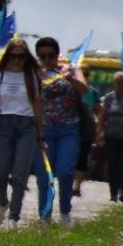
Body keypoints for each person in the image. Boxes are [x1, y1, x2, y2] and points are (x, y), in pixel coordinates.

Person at [0, 35, 43, 227]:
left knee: (19, 174)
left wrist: (41, 136)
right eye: (14, 56)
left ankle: (15, 216)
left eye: (21, 56)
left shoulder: (32, 77)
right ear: (7, 56)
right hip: (5, 124)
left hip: (27, 125)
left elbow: (37, 108)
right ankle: (2, 203)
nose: (17, 60)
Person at [30, 36, 88, 228]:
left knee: (65, 171)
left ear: (57, 54)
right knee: (44, 175)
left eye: (51, 55)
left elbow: (83, 89)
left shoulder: (70, 69)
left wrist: (70, 78)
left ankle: (65, 211)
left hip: (68, 129)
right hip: (44, 129)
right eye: (42, 56)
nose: (47, 59)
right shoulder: (35, 74)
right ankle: (44, 215)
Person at [97, 72, 123, 202]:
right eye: (119, 83)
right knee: (112, 164)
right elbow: (102, 116)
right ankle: (113, 192)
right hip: (111, 136)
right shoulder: (109, 98)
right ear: (115, 84)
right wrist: (99, 133)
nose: (121, 85)